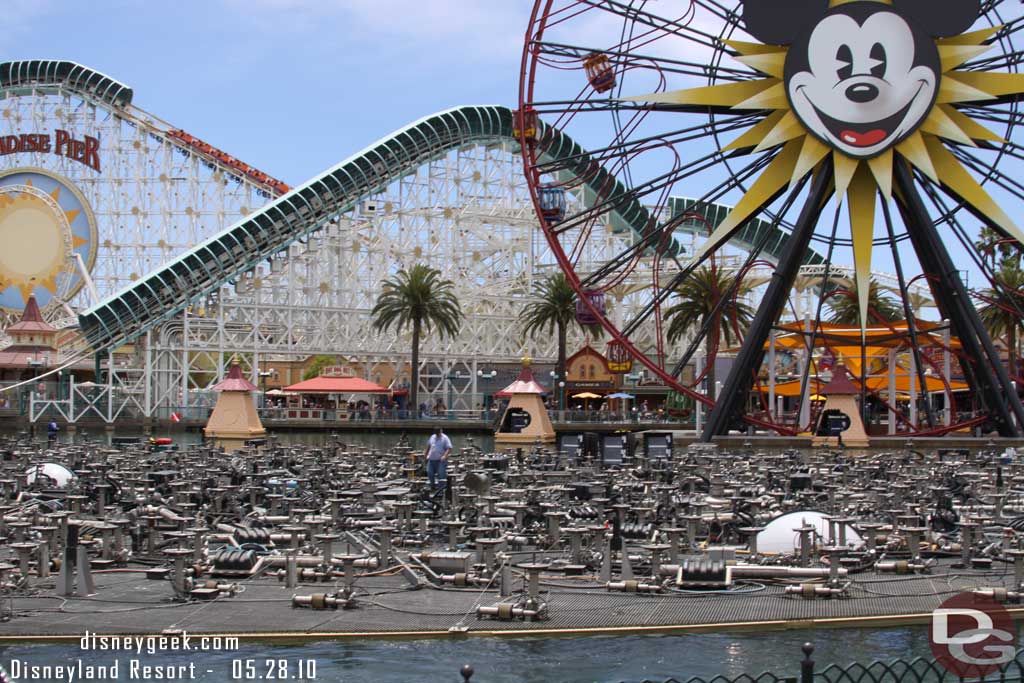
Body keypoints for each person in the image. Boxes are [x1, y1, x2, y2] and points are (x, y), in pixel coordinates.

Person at [424, 426, 452, 490]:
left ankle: (442, 489)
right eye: (436, 433)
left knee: (441, 474)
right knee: (429, 472)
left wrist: (444, 456)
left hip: (440, 460)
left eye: (438, 433)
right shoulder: (432, 437)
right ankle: (432, 486)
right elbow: (428, 446)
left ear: (441, 431)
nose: (437, 434)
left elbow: (449, 448)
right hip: (431, 459)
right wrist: (425, 455)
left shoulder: (445, 438)